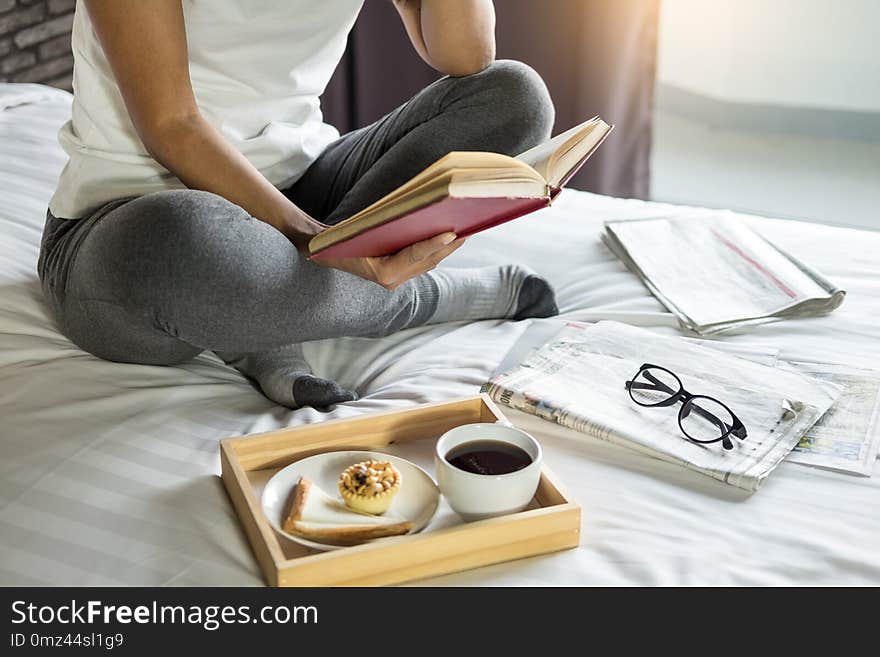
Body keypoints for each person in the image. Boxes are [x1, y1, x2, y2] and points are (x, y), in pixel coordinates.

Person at [38, 0, 558, 409]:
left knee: (512, 96)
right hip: (126, 222)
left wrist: (319, 237)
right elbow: (172, 125)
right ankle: (422, 297)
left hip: (296, 180)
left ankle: (267, 315)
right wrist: (315, 240)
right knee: (185, 238)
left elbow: (466, 56)